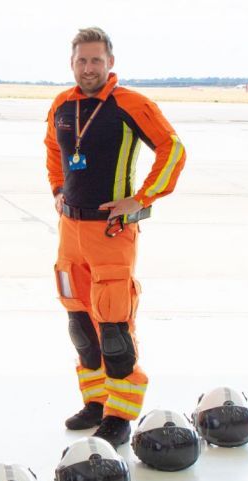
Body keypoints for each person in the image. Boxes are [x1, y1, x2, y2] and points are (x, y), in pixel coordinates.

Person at [45, 27, 186, 446]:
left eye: (96, 60)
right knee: (81, 326)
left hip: (111, 232)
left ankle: (120, 415)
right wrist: (57, 190)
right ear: (72, 64)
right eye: (82, 61)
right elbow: (53, 151)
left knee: (114, 328)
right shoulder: (62, 105)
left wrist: (141, 198)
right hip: (70, 231)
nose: (89, 68)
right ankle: (94, 403)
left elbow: (172, 150)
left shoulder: (131, 104)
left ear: (110, 64)